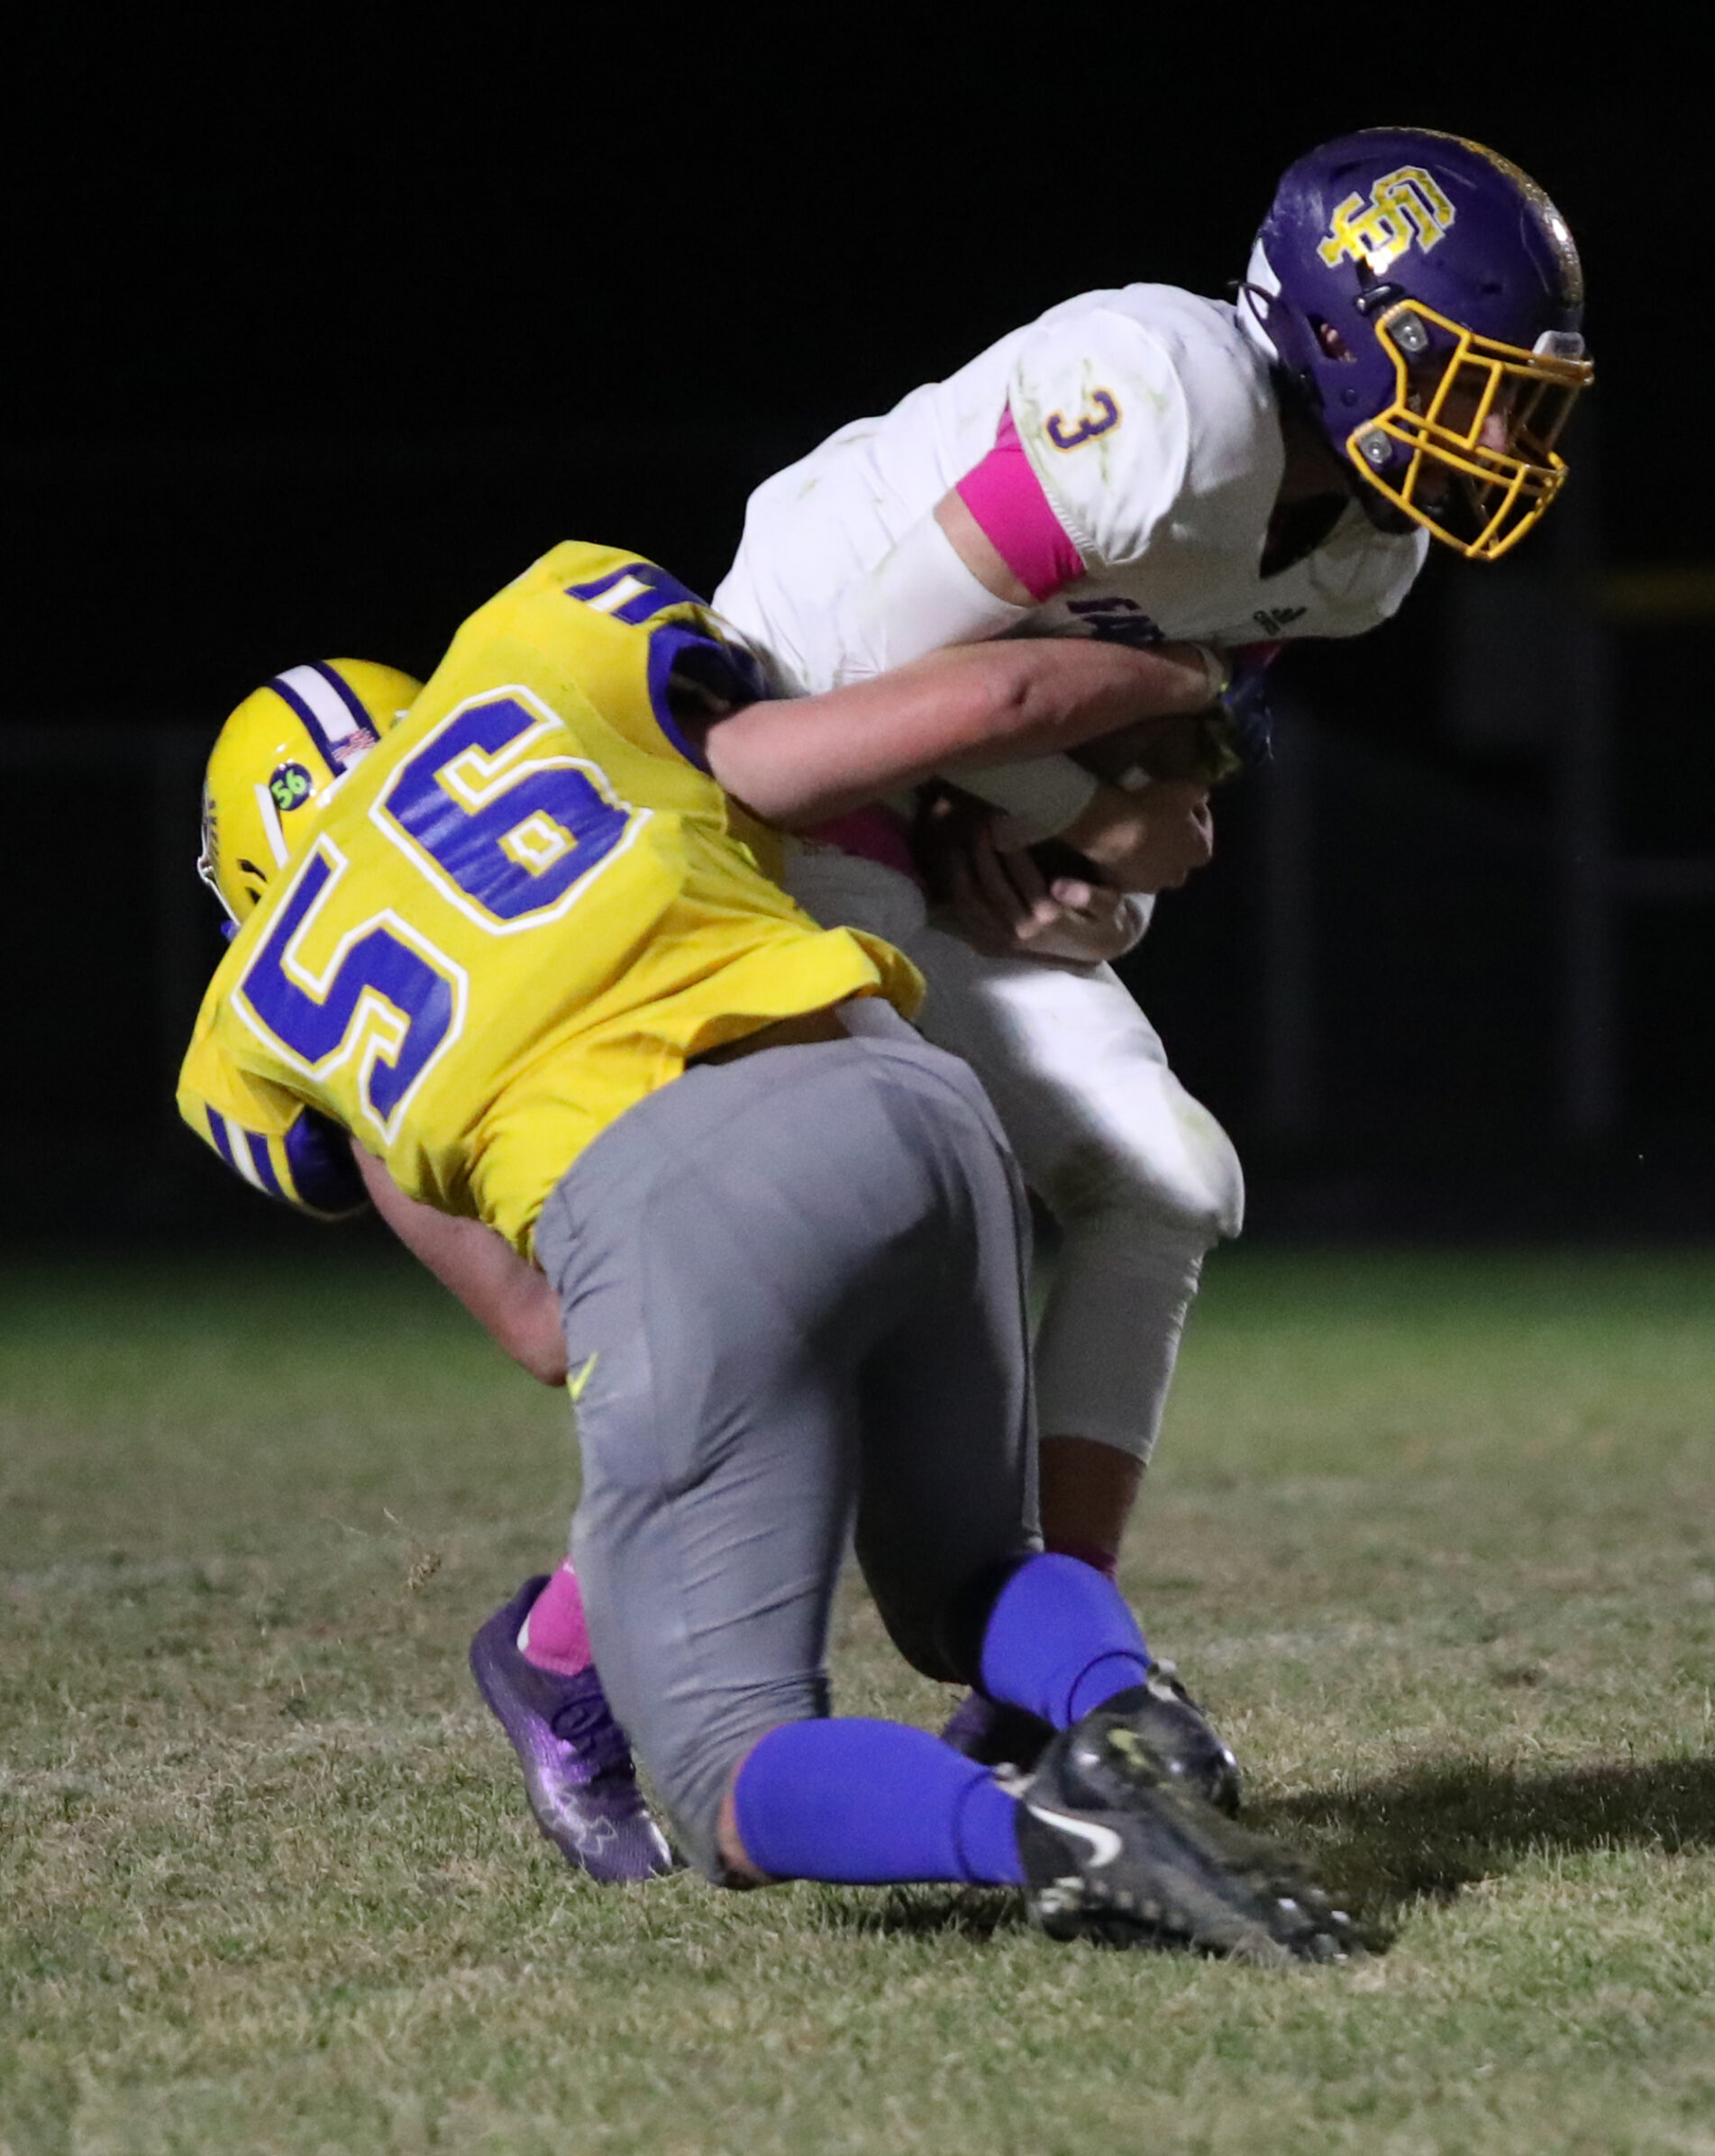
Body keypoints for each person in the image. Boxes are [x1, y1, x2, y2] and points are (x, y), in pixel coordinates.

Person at [177, 543, 1353, 1958]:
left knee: (722, 1763)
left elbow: (544, 1330)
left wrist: (731, 1332)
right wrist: (1185, 680)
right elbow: (907, 726)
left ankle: (1063, 1838)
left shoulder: (256, 1024)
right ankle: (1128, 1712)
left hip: (673, 1195)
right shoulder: (539, 665)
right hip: (914, 1095)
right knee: (974, 1572)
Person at [708, 126, 1593, 1667]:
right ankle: (580, 1651)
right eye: (1475, 382)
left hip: (940, 797)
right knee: (884, 1204)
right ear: (1345, 334)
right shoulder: (1165, 406)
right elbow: (871, 673)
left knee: (1167, 1183)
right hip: (785, 761)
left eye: (1526, 398)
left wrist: (1095, 894)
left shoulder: (1361, 558)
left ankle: (1059, 1651)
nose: (1504, 434)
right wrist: (1078, 812)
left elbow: (1156, 798)